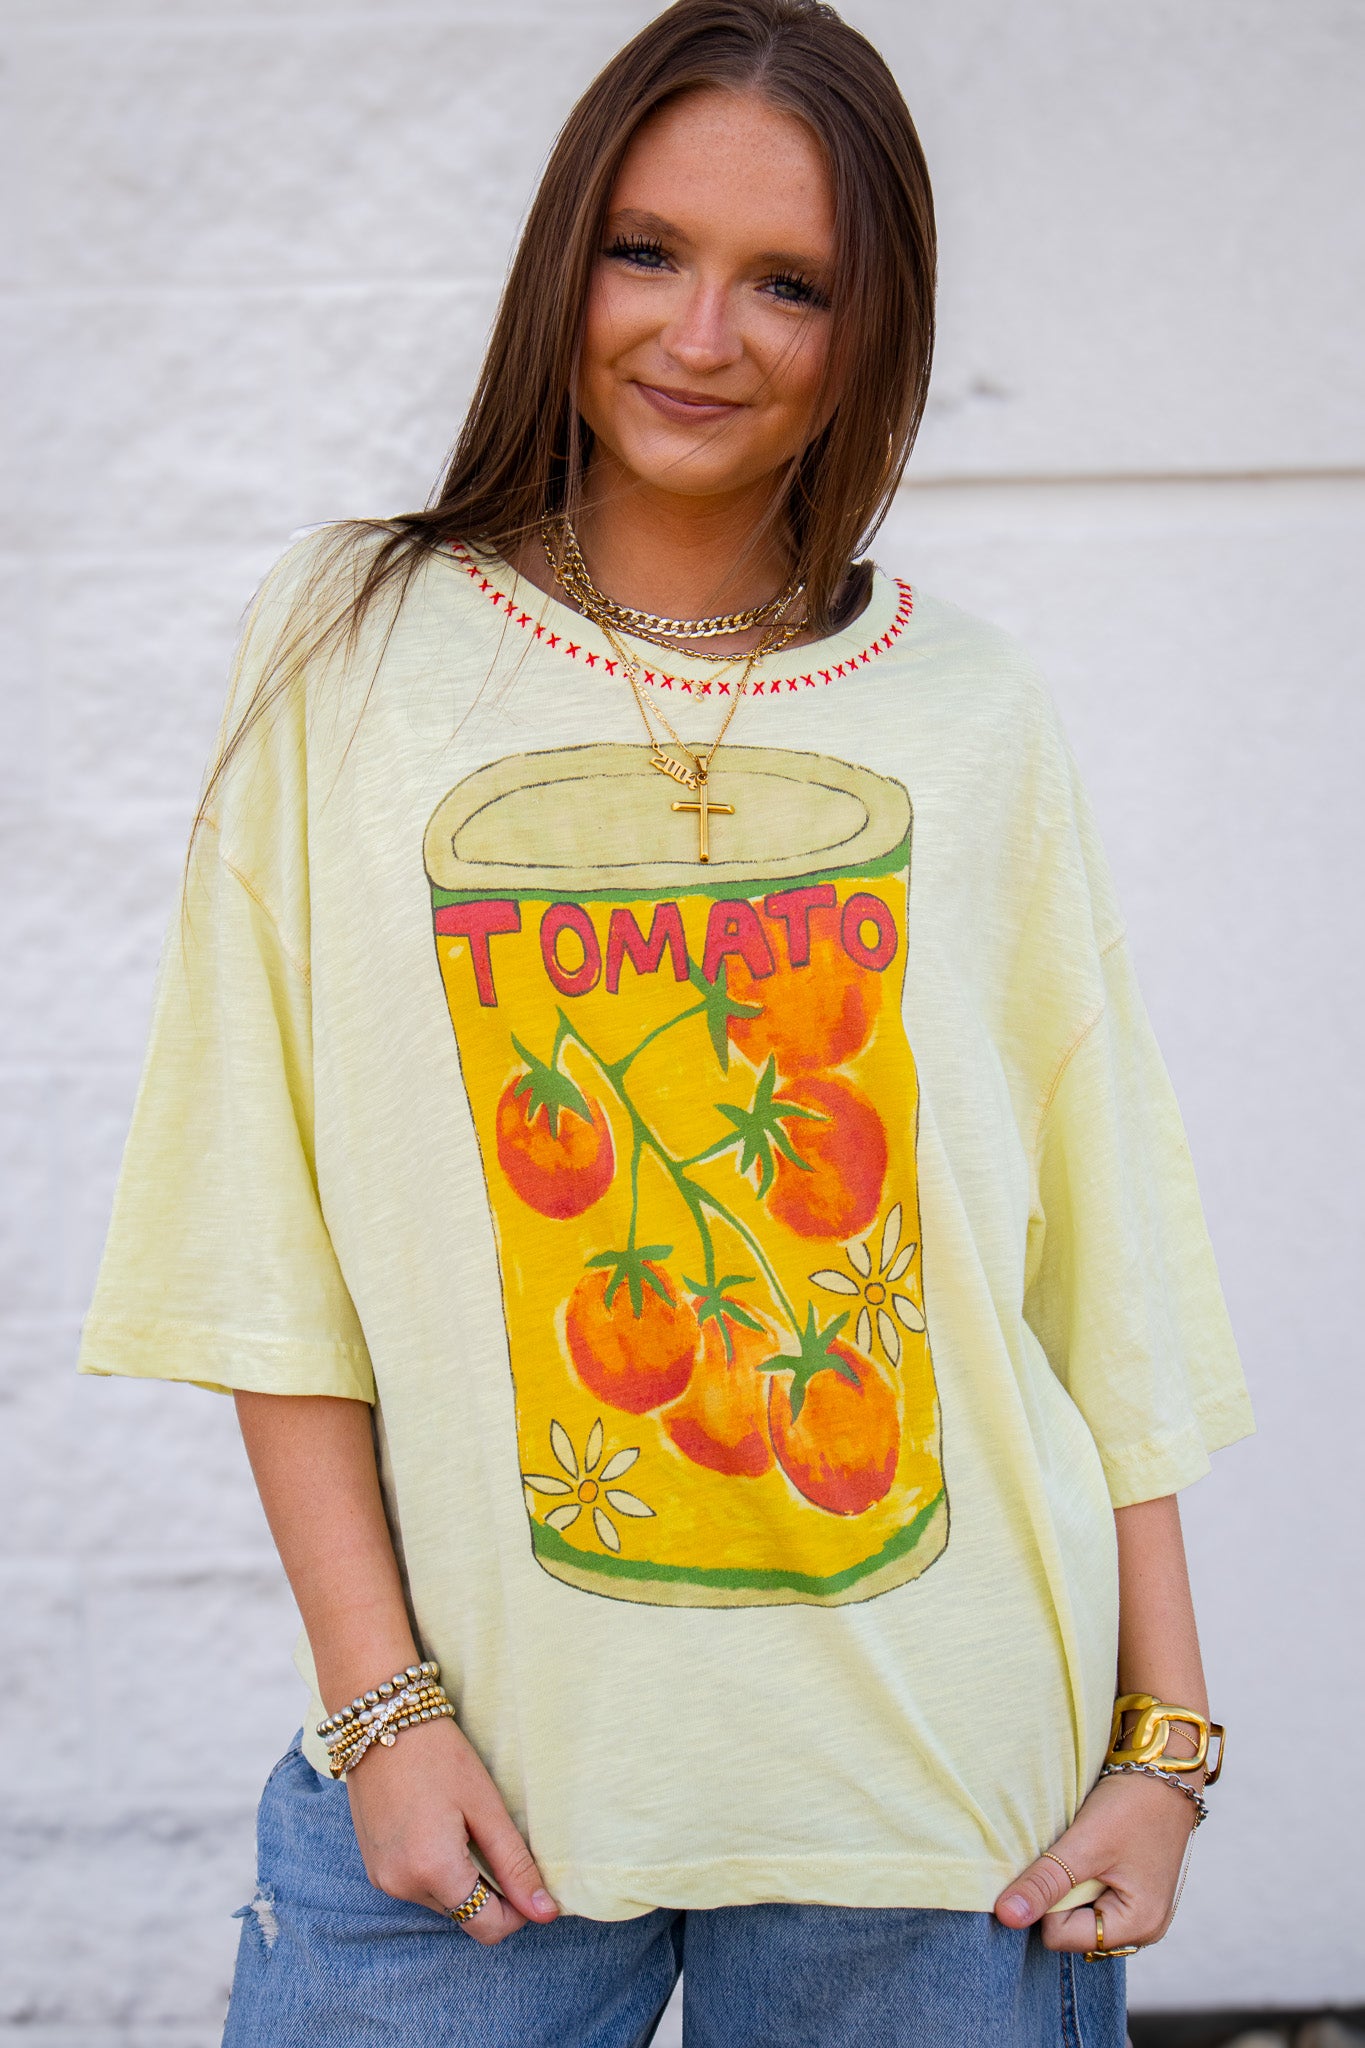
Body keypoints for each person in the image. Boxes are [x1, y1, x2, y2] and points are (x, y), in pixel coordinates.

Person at [79, 2, 1253, 2042]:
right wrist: (379, 1709)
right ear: (564, 259)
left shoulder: (967, 711)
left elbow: (1093, 1254)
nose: (698, 334)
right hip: (480, 1785)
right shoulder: (351, 644)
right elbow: (253, 1230)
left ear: (870, 330)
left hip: (941, 1803)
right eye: (646, 250)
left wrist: (1160, 1743)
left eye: (785, 282)